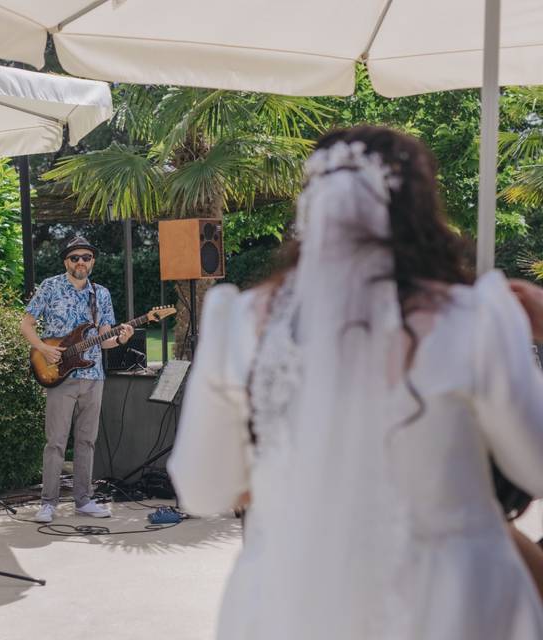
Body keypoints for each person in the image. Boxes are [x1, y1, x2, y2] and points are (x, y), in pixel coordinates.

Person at [168, 126, 543, 639]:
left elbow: (204, 489)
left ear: (309, 210)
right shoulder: (475, 316)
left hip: (289, 608)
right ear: (419, 211)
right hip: (449, 608)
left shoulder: (237, 322)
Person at [21, 236, 133, 523]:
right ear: (66, 262)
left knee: (87, 441)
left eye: (86, 257)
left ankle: (84, 499)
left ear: (93, 261)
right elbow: (26, 323)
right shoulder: (50, 286)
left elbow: (104, 339)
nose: (80, 262)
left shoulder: (101, 294)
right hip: (59, 375)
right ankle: (48, 503)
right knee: (56, 441)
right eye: (75, 257)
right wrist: (44, 348)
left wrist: (120, 338)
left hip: (93, 376)